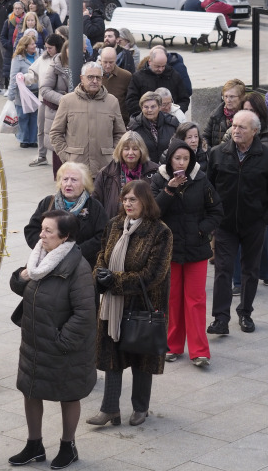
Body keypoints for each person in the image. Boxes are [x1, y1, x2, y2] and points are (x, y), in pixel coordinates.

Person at [9, 210, 97, 469]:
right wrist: (22, 276)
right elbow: (21, 287)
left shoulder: (77, 267)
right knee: (31, 390)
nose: (42, 235)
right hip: (35, 343)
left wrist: (62, 342)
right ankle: (34, 445)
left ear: (65, 236)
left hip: (62, 348)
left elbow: (85, 313)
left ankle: (68, 446)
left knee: (68, 395)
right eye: (42, 229)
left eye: (48, 231)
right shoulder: (39, 258)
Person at [87, 181, 172, 428]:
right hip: (114, 302)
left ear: (145, 202)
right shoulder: (114, 225)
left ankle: (140, 407)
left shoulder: (160, 231)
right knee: (112, 353)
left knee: (140, 356)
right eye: (125, 199)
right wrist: (100, 275)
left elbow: (153, 274)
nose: (127, 203)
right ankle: (109, 409)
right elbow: (102, 256)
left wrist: (115, 280)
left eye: (133, 199)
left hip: (143, 304)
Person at [206, 111, 268, 335]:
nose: (236, 130)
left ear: (255, 131)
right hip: (225, 225)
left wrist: (264, 220)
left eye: (242, 127)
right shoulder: (217, 154)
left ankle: (245, 313)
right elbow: (208, 189)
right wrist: (213, 216)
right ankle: (221, 319)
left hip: (254, 225)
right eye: (234, 126)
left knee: (250, 271)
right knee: (223, 270)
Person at [151, 140, 222, 367]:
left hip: (196, 248)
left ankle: (200, 351)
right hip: (169, 249)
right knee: (172, 300)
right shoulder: (158, 180)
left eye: (186, 159)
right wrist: (169, 189)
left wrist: (203, 230)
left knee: (196, 300)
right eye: (177, 158)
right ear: (170, 159)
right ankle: (172, 346)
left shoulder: (201, 180)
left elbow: (216, 211)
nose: (182, 162)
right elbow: (153, 212)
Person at [224, 92, 268, 292]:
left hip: (267, 198)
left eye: (252, 110)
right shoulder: (232, 134)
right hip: (240, 199)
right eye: (245, 109)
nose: (248, 113)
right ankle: (238, 281)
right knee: (238, 242)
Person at [23, 162, 108, 269]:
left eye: (74, 180)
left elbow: (102, 236)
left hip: (81, 264)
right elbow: (31, 230)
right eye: (65, 179)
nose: (68, 184)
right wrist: (48, 248)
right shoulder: (48, 202)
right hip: (47, 262)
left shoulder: (94, 206)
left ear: (84, 184)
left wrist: (74, 252)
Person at [50, 61, 126, 178]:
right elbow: (56, 133)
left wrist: (112, 156)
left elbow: (120, 133)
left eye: (98, 77)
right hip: (76, 168)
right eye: (90, 77)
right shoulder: (67, 101)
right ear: (82, 78)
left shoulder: (112, 102)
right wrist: (67, 157)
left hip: (105, 168)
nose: (95, 81)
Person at [93, 131, 159, 219]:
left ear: (141, 151)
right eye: (126, 149)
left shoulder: (155, 172)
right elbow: (95, 203)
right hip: (114, 226)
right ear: (120, 151)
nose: (130, 153)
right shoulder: (105, 173)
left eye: (135, 149)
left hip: (146, 225)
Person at [26, 34, 65, 168]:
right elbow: (33, 73)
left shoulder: (62, 60)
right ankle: (42, 155)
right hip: (44, 100)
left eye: (50, 48)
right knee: (41, 128)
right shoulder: (42, 59)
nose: (47, 50)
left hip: (60, 102)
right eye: (46, 48)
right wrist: (25, 78)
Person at [39, 41, 73, 178]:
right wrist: (64, 100)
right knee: (59, 145)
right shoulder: (56, 65)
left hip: (78, 114)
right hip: (58, 112)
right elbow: (45, 89)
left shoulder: (86, 63)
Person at [126, 47, 190, 118]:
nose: (161, 69)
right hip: (145, 119)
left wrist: (175, 112)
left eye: (163, 66)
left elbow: (184, 99)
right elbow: (131, 101)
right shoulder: (138, 77)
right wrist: (147, 113)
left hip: (170, 119)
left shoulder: (174, 75)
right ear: (150, 62)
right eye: (157, 66)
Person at [8, 34, 41, 149]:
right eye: (32, 44)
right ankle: (23, 139)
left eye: (34, 43)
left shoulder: (39, 56)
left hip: (36, 92)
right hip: (22, 93)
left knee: (34, 117)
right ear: (25, 46)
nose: (34, 46)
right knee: (22, 116)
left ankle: (32, 139)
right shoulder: (17, 59)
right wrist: (10, 95)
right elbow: (13, 77)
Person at [128, 91, 178, 164]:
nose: (149, 110)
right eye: (146, 107)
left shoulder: (172, 123)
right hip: (144, 169)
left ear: (159, 107)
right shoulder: (134, 126)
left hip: (168, 167)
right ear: (141, 108)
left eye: (153, 107)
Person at [202, 78, 246, 149]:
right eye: (225, 96)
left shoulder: (246, 117)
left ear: (241, 98)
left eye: (232, 97)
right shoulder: (215, 115)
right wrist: (212, 154)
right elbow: (205, 137)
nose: (228, 100)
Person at [100, 47, 132, 125]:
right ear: (100, 60)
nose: (108, 65)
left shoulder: (126, 76)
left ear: (116, 60)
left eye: (111, 62)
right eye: (105, 62)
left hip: (119, 121)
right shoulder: (94, 75)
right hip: (99, 120)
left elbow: (129, 99)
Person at [0, 0, 25, 94]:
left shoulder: (25, 20)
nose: (17, 10)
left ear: (23, 9)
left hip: (21, 50)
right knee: (9, 69)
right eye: (15, 8)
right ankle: (8, 88)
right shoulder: (9, 21)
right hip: (10, 49)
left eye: (19, 8)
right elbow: (2, 36)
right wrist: (8, 45)